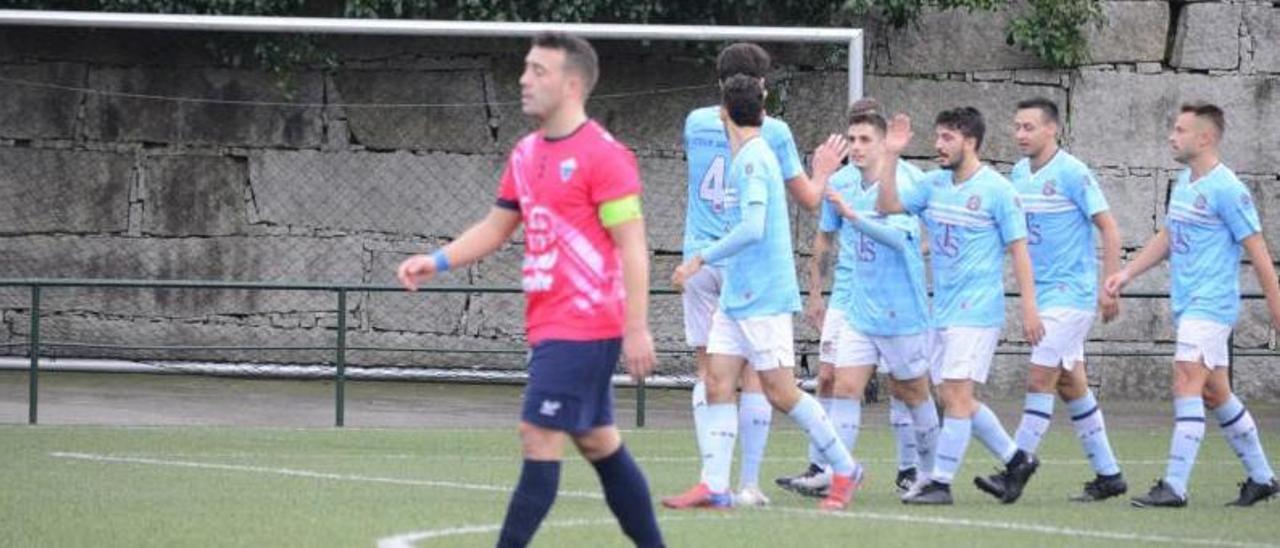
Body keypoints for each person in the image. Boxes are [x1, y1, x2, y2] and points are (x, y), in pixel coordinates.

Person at [396, 33, 664, 546]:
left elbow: (632, 246)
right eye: (526, 68)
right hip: (550, 323)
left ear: (572, 84)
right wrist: (437, 260)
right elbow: (497, 227)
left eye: (538, 70)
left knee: (537, 434)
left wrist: (636, 328)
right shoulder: (525, 153)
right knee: (598, 441)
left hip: (585, 325)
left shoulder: (604, 156)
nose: (524, 79)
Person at [663, 74, 863, 511]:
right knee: (717, 381)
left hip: (764, 294)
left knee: (781, 391)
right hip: (738, 293)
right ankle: (715, 485)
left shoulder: (752, 159)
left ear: (723, 113)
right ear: (763, 107)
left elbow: (753, 229)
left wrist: (699, 259)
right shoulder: (754, 151)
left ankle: (846, 469)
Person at [1106, 102, 1280, 508]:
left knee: (1185, 381)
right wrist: (1126, 274)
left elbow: (1257, 251)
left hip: (1211, 303)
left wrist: (1275, 306)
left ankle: (1175, 486)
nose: (1172, 135)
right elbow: (1168, 237)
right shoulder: (1185, 181)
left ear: (1205, 138)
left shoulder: (1228, 189)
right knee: (1217, 394)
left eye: (1181, 130)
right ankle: (1263, 477)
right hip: (1189, 304)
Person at [877, 107, 1044, 505]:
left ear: (971, 141)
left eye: (948, 137)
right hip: (944, 309)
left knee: (954, 395)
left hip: (978, 309)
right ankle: (1017, 461)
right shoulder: (933, 184)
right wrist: (892, 156)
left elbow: (1020, 251)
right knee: (959, 399)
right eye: (937, 137)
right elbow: (886, 205)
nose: (938, 145)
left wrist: (1030, 308)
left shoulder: (998, 191)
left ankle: (940, 482)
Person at [680, 42, 821, 507]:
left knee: (709, 371)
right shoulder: (773, 131)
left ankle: (709, 476)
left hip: (700, 257)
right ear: (760, 86)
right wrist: (822, 173)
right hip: (746, 264)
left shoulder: (696, 121)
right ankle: (749, 484)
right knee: (756, 377)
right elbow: (808, 198)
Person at [778, 99, 938, 498]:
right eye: (852, 138)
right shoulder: (843, 182)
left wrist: (858, 219)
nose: (858, 146)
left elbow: (911, 239)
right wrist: (816, 291)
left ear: (885, 143)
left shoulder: (909, 182)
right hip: (856, 304)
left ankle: (929, 472)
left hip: (901, 308)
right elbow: (825, 236)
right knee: (842, 385)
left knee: (913, 391)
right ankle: (839, 473)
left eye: (866, 138)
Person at [979, 97, 1127, 503]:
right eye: (1017, 127)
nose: (1020, 135)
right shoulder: (1019, 174)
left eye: (1029, 127)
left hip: (1071, 296)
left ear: (1052, 130)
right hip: (1041, 294)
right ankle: (1110, 475)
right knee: (1071, 385)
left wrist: (1109, 285)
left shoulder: (1073, 173)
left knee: (1039, 377)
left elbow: (1110, 230)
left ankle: (1016, 470)